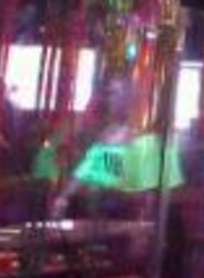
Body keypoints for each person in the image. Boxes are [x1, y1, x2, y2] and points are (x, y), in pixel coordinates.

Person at [53, 78, 182, 222]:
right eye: (109, 94)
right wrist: (64, 197)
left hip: (121, 211)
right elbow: (91, 169)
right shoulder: (108, 132)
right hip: (102, 209)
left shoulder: (137, 134)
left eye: (115, 93)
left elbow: (142, 186)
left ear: (127, 98)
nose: (110, 99)